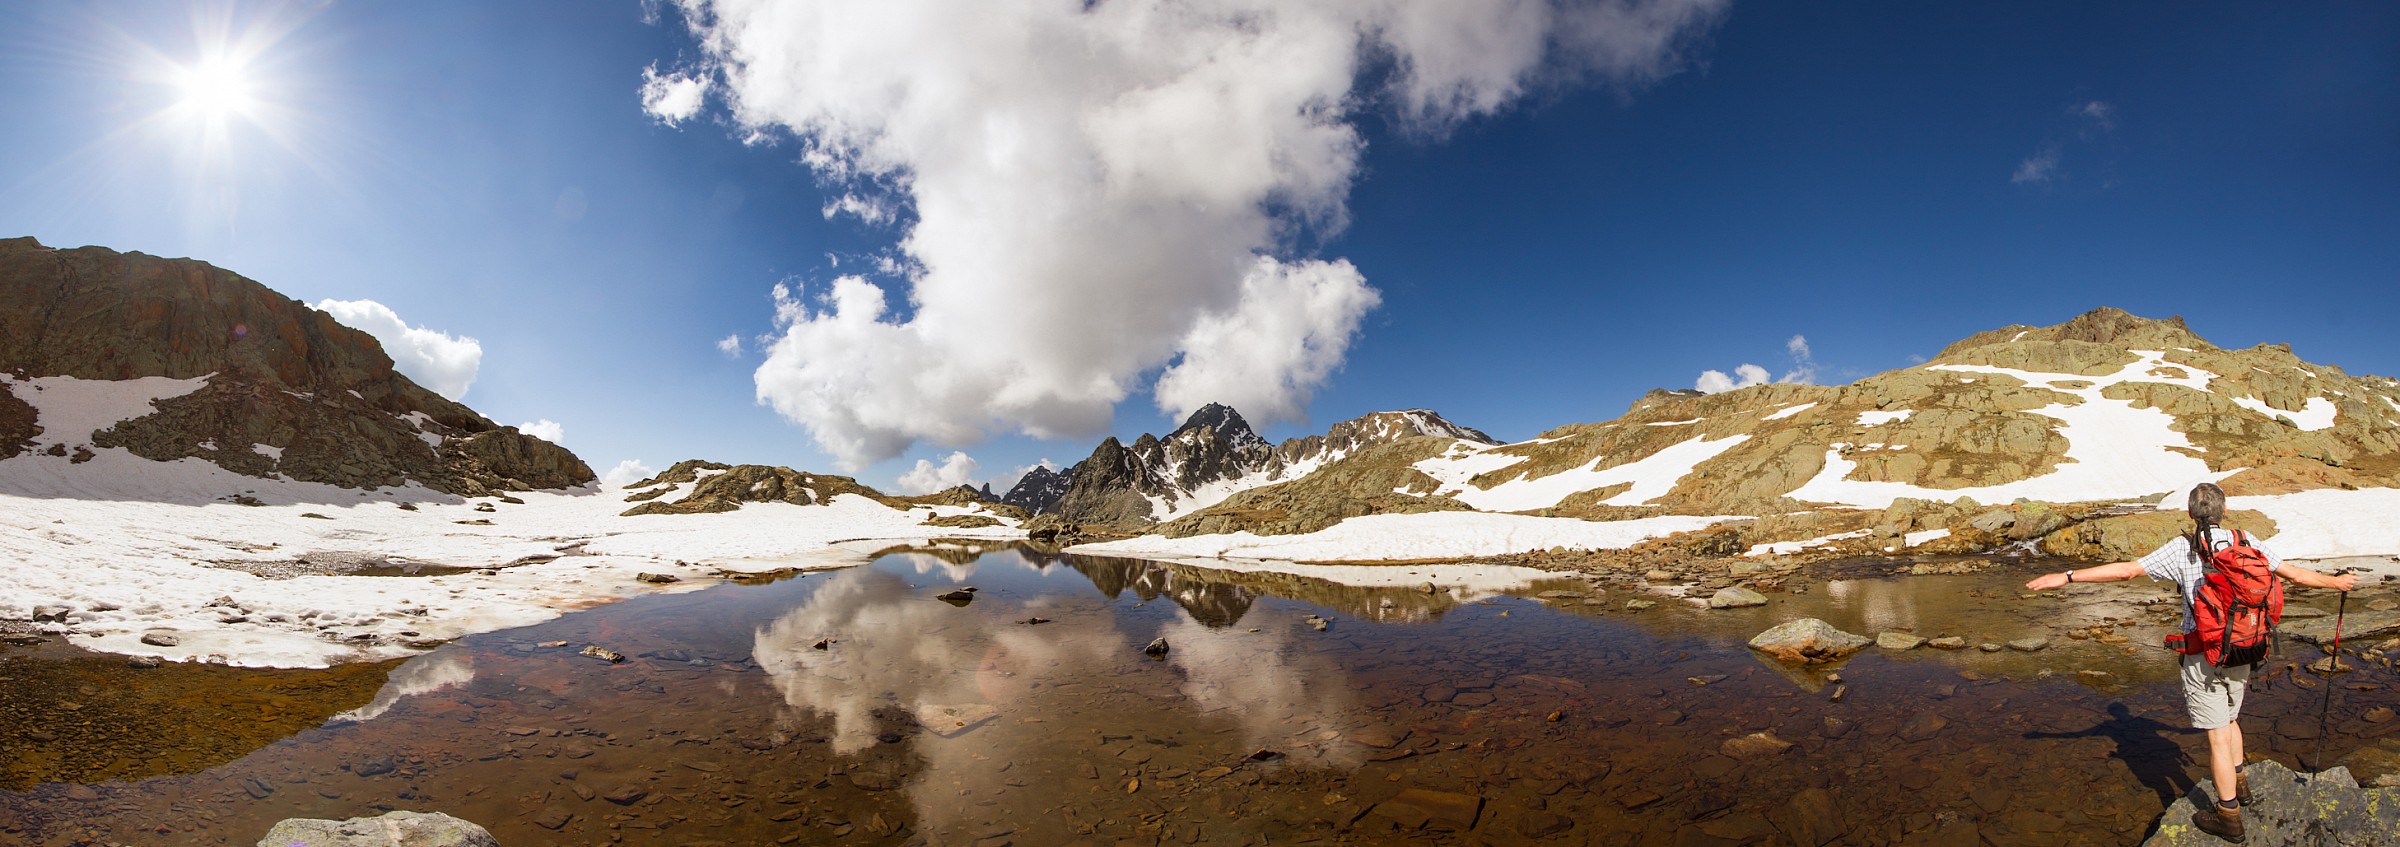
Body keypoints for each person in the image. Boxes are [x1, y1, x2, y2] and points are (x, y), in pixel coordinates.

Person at [2024, 482, 2356, 843]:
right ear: (2224, 511)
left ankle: (2229, 817)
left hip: (2203, 656)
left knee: (2217, 735)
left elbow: (2127, 571)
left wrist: (2067, 576)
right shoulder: (2246, 541)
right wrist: (2336, 583)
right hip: (2245, 647)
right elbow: (2295, 575)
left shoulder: (2183, 547)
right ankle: (2241, 784)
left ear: (2189, 513)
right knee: (2230, 719)